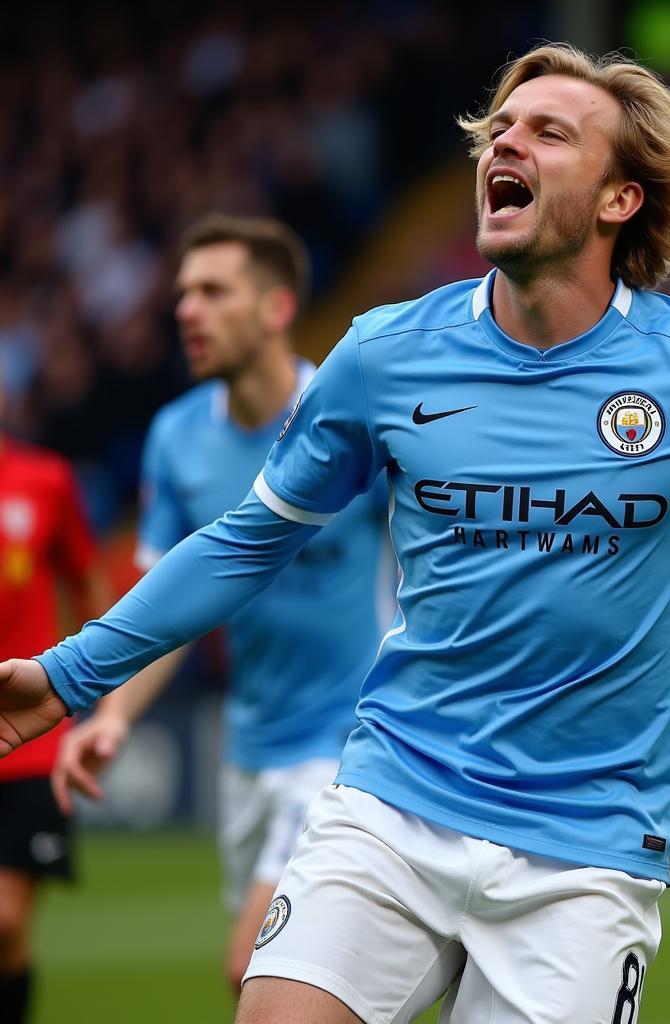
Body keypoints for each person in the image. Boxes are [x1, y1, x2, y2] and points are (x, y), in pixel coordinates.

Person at [3, 42, 670, 1024]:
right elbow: (243, 541)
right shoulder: (383, 357)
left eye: (548, 132)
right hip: (393, 799)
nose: (504, 144)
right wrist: (66, 675)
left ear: (620, 198)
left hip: (585, 852)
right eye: (497, 128)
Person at [48, 213, 391, 992]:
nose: (185, 311)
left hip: (352, 745)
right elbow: (166, 613)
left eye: (212, 292)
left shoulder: (351, 416)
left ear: (275, 309)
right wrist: (114, 716)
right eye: (183, 293)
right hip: (248, 753)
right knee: (296, 988)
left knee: (258, 966)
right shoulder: (174, 439)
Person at [0, 368, 110, 1024]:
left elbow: (90, 587)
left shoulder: (45, 481)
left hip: (28, 744)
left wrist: (84, 684)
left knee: (5, 923)